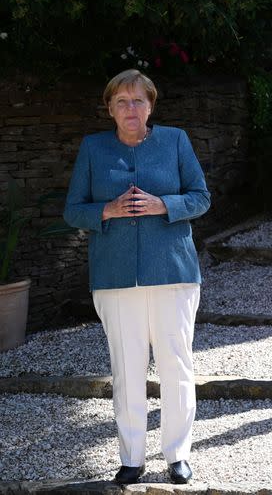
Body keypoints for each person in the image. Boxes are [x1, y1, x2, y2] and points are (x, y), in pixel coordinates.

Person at [64, 69, 210, 485]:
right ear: (110, 108)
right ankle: (132, 457)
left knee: (175, 365)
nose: (131, 109)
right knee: (127, 369)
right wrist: (105, 211)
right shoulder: (93, 149)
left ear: (151, 106)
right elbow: (73, 209)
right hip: (115, 278)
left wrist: (163, 204)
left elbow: (201, 197)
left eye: (139, 101)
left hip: (174, 273)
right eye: (123, 102)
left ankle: (178, 455)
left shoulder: (176, 141)